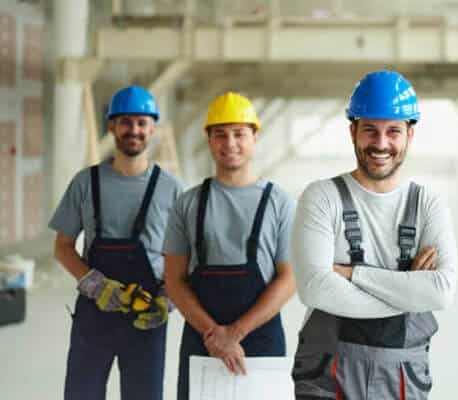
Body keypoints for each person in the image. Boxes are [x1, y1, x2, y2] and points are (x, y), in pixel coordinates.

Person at [291, 70, 458, 399]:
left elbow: (440, 293)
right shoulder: (322, 197)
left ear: (410, 135)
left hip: (402, 376)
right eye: (370, 130)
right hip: (327, 373)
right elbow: (314, 288)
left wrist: (352, 274)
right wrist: (408, 292)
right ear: (353, 131)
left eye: (393, 131)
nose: (381, 144)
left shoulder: (428, 204)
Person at [50, 85, 183, 400]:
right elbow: (63, 246)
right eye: (125, 122)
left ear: (152, 129)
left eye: (141, 123)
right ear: (111, 126)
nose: (133, 130)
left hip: (147, 316)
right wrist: (94, 283)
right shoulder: (86, 183)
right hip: (94, 315)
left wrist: (169, 298)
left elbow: (185, 255)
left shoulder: (171, 188)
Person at [162, 92, 297, 400]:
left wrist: (233, 334)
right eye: (220, 134)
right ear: (209, 140)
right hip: (202, 340)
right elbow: (174, 279)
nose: (230, 143)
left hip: (261, 339)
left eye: (239, 134)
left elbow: (290, 278)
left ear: (254, 137)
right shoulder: (188, 203)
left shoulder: (279, 203)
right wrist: (214, 336)